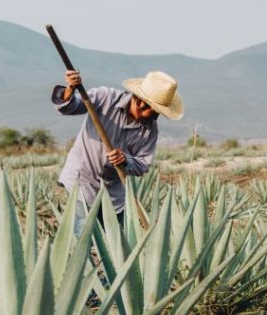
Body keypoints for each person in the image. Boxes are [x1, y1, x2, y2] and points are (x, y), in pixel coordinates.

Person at [52, 69, 184, 223]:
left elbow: (143, 164)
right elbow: (70, 107)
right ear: (142, 103)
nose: (157, 116)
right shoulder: (105, 97)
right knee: (82, 239)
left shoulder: (150, 130)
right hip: (82, 182)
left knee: (114, 244)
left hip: (114, 195)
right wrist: (71, 89)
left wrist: (125, 160)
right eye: (156, 111)